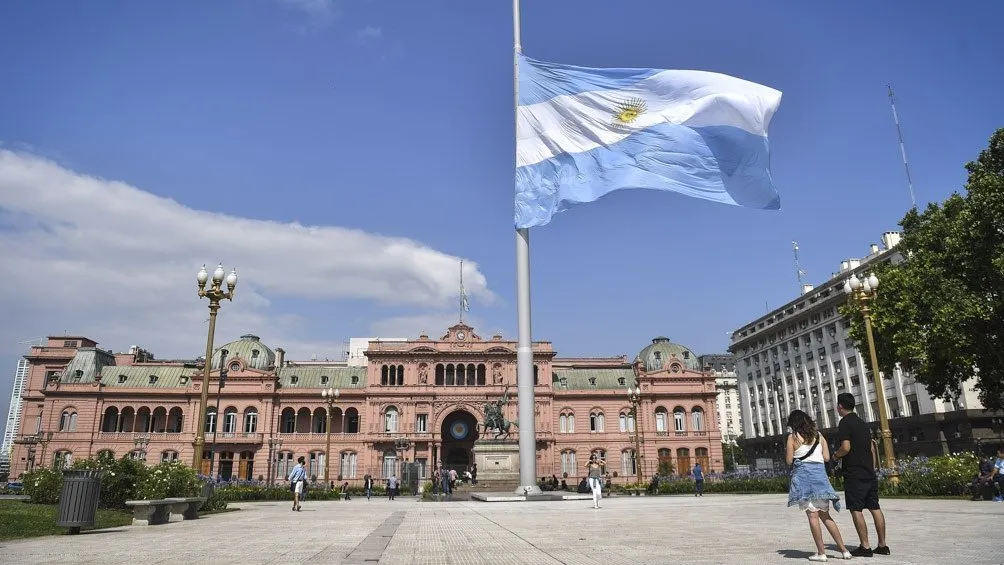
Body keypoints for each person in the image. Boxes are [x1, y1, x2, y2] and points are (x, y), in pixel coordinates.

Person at [786, 410, 852, 562]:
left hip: (804, 479)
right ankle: (844, 550)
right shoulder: (819, 436)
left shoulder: (793, 437)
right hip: (820, 478)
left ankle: (821, 553)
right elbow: (827, 457)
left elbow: (789, 460)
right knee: (825, 515)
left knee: (812, 516)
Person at [833, 393, 890, 557]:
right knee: (874, 507)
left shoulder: (845, 423)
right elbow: (872, 449)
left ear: (840, 406)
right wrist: (871, 469)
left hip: (854, 473)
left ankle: (865, 547)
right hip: (868, 473)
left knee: (856, 509)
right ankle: (882, 545)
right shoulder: (863, 424)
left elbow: (845, 447)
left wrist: (836, 456)